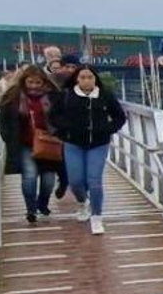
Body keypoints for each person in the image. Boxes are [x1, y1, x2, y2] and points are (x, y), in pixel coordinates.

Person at [49, 65, 126, 235]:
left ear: (95, 79)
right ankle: (83, 202)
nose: (86, 80)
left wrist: (108, 128)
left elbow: (120, 116)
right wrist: (66, 128)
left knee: (94, 180)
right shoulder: (67, 95)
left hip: (99, 143)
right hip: (73, 143)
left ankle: (97, 217)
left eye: (90, 77)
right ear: (77, 79)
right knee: (76, 181)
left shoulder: (105, 95)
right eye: (82, 77)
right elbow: (53, 116)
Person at [0, 66, 63, 223]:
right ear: (24, 81)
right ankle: (30, 209)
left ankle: (43, 203)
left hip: (49, 143)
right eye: (30, 82)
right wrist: (9, 139)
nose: (33, 86)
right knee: (30, 176)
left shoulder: (53, 97)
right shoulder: (13, 97)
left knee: (48, 181)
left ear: (43, 82)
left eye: (37, 82)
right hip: (25, 143)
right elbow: (3, 121)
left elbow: (63, 117)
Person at [43, 48, 78, 201]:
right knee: (60, 156)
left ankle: (72, 184)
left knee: (73, 157)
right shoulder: (49, 79)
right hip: (57, 125)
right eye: (67, 66)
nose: (70, 70)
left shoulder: (82, 79)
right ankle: (64, 180)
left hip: (77, 126)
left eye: (73, 67)